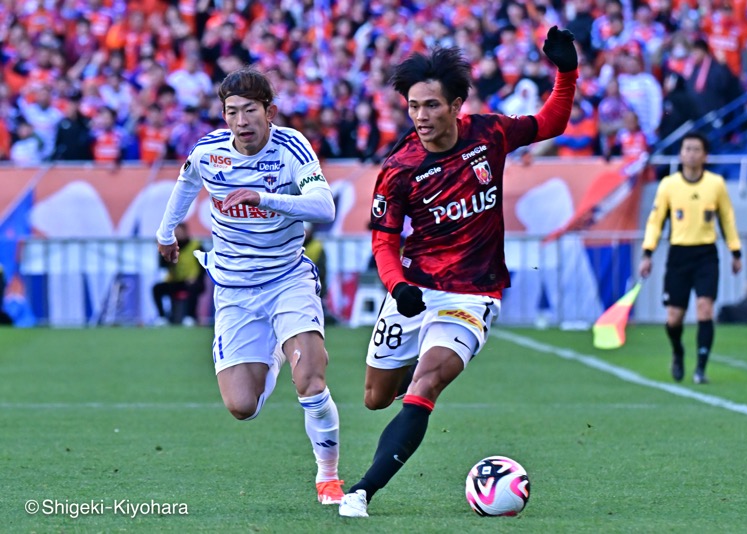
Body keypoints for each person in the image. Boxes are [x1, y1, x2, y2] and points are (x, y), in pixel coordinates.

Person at [338, 27, 578, 518]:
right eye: (413, 107)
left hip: (473, 297)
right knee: (375, 398)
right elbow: (383, 238)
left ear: (455, 105)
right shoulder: (400, 166)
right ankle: (418, 361)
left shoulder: (489, 133)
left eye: (430, 105)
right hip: (415, 292)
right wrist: (398, 286)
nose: (421, 117)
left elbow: (551, 121)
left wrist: (566, 72)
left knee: (425, 383)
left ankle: (361, 491)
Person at [156, 66, 345, 505]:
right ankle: (276, 353)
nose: (241, 121)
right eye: (231, 112)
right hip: (236, 290)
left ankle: (328, 477)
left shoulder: (292, 146)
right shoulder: (209, 152)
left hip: (286, 278)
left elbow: (324, 207)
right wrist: (167, 232)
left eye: (249, 111)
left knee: (312, 381)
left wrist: (265, 198)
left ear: (269, 111)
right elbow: (186, 181)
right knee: (242, 406)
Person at [638, 132, 743, 385]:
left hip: (706, 254)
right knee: (674, 317)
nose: (691, 154)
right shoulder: (669, 185)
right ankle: (677, 351)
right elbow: (655, 221)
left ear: (705, 155)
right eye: (687, 149)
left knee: (705, 309)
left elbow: (727, 218)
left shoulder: (715, 184)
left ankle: (700, 369)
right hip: (679, 255)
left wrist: (735, 251)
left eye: (697, 149)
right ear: (681, 153)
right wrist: (647, 253)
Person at [152, 222, 205, 326]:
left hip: (193, 281)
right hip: (175, 280)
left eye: (180, 232)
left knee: (193, 287)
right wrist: (163, 252)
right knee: (157, 288)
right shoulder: (171, 247)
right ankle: (162, 317)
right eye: (176, 233)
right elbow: (163, 266)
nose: (178, 235)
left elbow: (204, 266)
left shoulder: (196, 245)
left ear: (186, 232)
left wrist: (196, 277)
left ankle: (190, 317)